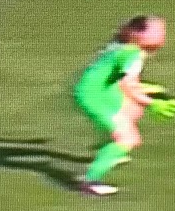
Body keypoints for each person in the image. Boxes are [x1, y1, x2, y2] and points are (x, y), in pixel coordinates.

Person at [70, 15, 168, 196]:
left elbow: (122, 80)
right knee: (128, 139)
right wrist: (152, 103)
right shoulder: (132, 54)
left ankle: (109, 151)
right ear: (140, 34)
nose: (164, 35)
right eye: (159, 31)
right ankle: (89, 182)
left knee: (133, 111)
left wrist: (145, 91)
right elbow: (127, 85)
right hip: (94, 96)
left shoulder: (127, 47)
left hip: (103, 89)